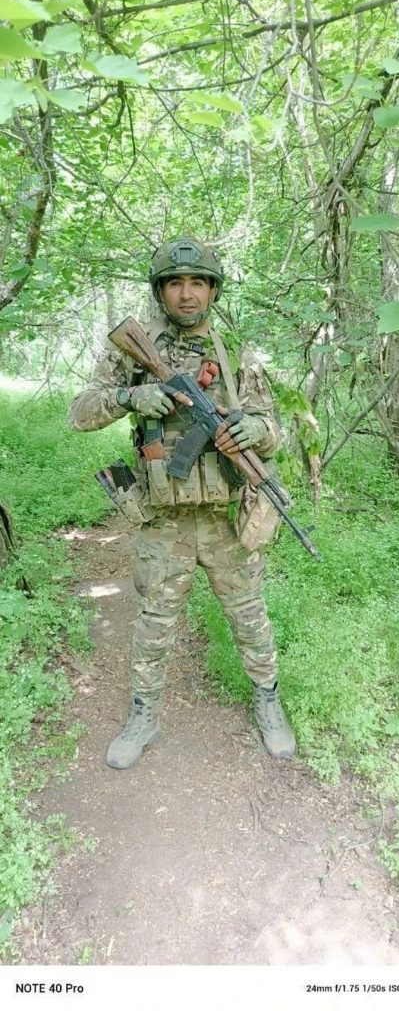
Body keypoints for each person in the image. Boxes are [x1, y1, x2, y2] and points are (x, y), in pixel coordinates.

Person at [69, 237, 296, 770]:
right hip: (163, 518)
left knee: (249, 615)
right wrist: (130, 396)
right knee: (154, 620)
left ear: (213, 290)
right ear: (160, 291)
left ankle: (268, 701)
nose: (187, 294)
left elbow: (274, 428)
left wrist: (256, 429)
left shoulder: (233, 350)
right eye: (175, 283)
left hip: (226, 518)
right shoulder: (134, 346)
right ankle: (143, 714)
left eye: (198, 283)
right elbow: (79, 412)